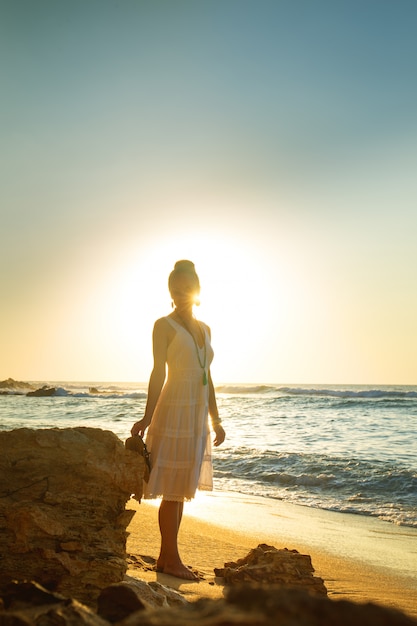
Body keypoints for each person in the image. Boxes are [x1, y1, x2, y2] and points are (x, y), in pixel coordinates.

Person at [131, 260, 226, 580]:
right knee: (172, 488)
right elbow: (159, 371)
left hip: (196, 413)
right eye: (175, 289)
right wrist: (147, 415)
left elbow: (207, 375)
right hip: (173, 409)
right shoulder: (163, 325)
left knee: (182, 488)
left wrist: (216, 418)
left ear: (196, 289)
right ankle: (171, 560)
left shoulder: (206, 329)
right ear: (169, 292)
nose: (181, 293)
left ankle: (166, 557)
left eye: (186, 288)